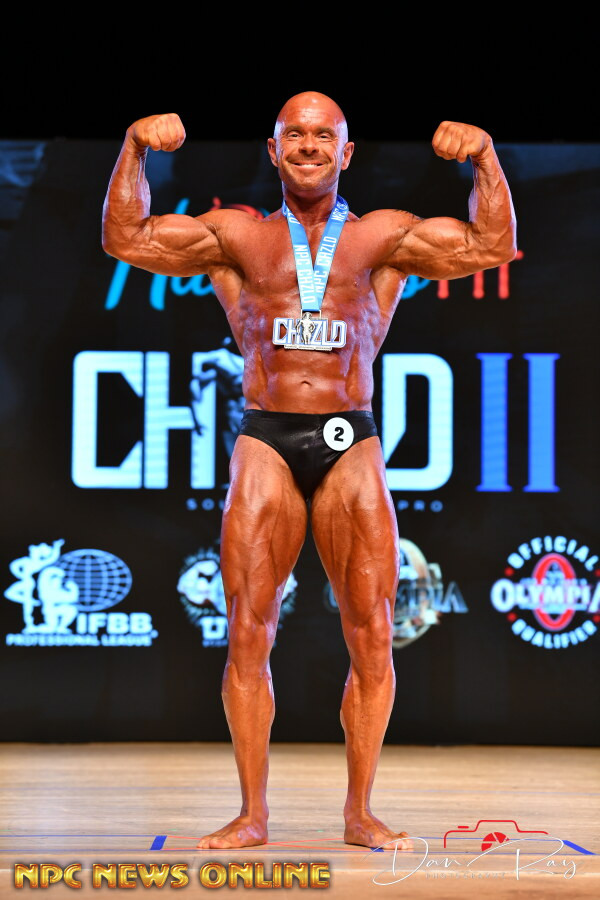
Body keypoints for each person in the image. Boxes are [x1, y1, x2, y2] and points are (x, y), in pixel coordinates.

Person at [102, 92, 517, 850]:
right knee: (247, 631)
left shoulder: (382, 237)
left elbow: (490, 245)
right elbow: (125, 236)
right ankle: (251, 814)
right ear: (272, 149)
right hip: (266, 435)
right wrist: (133, 148)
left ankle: (360, 813)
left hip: (350, 437)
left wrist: (486, 157)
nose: (308, 145)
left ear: (346, 152)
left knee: (373, 632)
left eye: (324, 135)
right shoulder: (236, 236)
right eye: (293, 133)